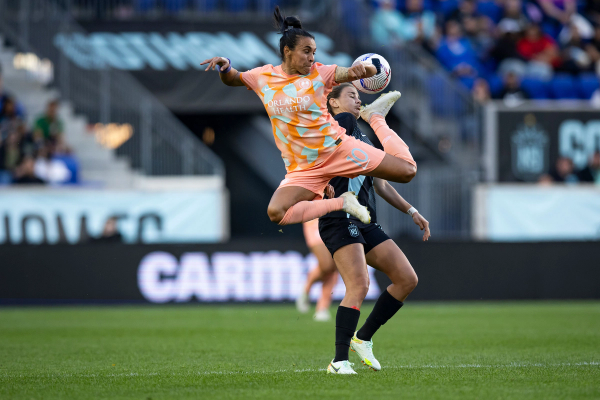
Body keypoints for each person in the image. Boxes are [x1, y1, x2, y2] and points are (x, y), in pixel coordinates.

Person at [200, 6, 417, 229]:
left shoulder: (321, 73)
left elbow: (355, 73)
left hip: (337, 150)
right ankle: (342, 202)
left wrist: (366, 69)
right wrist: (225, 67)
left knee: (407, 171)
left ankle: (375, 117)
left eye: (314, 52)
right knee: (276, 212)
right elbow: (233, 78)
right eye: (306, 51)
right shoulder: (263, 76)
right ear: (287, 51)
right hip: (304, 168)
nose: (312, 58)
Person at [320, 84, 430, 374]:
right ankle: (338, 361)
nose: (358, 101)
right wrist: (320, 183)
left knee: (406, 279)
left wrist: (411, 210)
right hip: (339, 216)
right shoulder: (342, 122)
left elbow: (381, 184)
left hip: (365, 220)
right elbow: (320, 153)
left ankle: (363, 338)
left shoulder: (362, 136)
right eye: (351, 96)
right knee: (359, 285)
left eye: (359, 97)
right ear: (333, 103)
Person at [296, 214, 340, 322]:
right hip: (315, 220)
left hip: (337, 221)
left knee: (335, 267)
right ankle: (307, 287)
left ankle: (322, 308)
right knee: (326, 265)